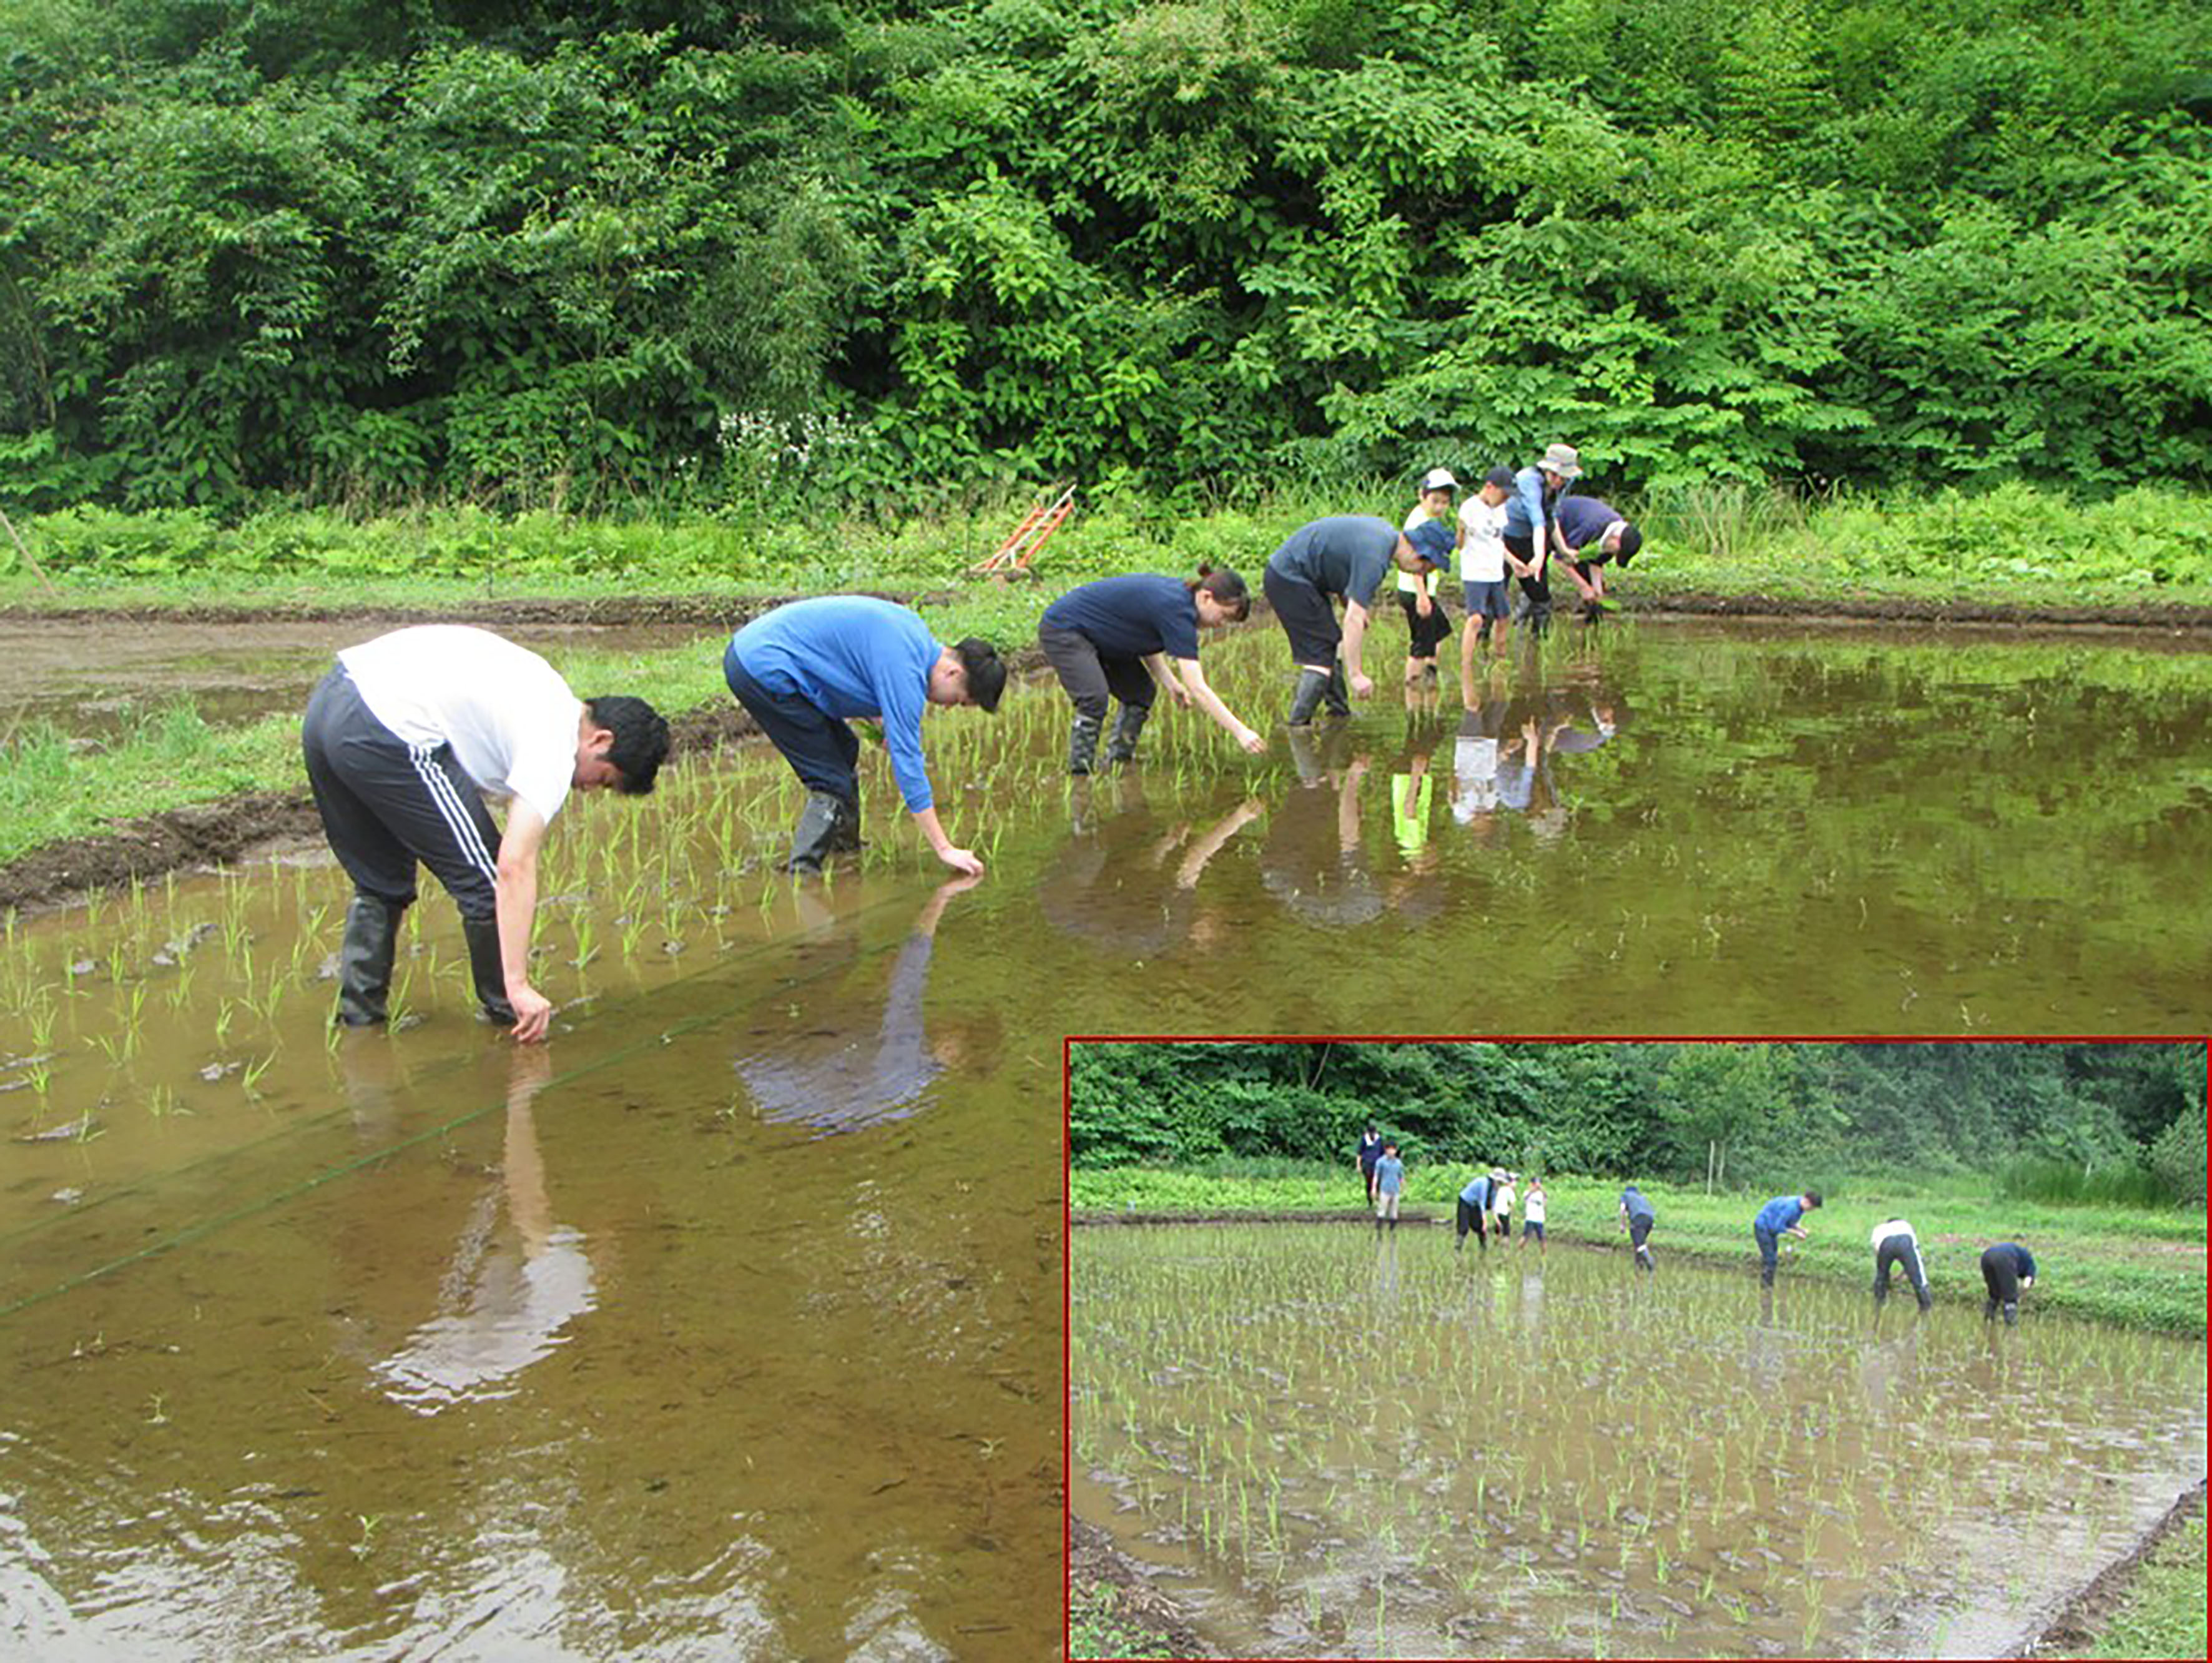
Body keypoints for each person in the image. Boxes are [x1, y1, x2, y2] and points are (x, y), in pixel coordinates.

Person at [301, 624, 669, 1043]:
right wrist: (519, 982)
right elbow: (513, 866)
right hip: (385, 726)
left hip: (330, 702)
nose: (586, 789)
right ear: (600, 739)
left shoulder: (543, 689)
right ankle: (513, 1013)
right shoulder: (555, 744)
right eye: (603, 778)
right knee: (486, 879)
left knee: (379, 882)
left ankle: (359, 1025)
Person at [724, 596, 1005, 875]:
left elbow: (854, 666)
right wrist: (945, 848)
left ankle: (844, 850)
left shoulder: (915, 639)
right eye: (957, 700)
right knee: (829, 779)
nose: (947, 708)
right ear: (953, 673)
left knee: (845, 747)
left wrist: (881, 721)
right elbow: (909, 766)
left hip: (759, 647)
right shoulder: (907, 672)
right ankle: (803, 874)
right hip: (761, 665)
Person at [1038, 566, 1266, 775]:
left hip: (1105, 636)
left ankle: (1118, 763)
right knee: (1093, 698)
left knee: (1140, 693)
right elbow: (1198, 688)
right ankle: (1080, 775)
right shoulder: (1178, 611)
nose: (1221, 625)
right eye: (1224, 616)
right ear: (1207, 597)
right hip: (1066, 629)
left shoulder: (1181, 604)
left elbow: (1143, 636)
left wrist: (1171, 683)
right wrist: (1241, 732)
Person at [1262, 515, 1450, 724]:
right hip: (1289, 576)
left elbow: (1340, 562)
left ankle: (1339, 714)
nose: (1421, 573)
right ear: (1419, 553)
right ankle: (1297, 726)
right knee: (1320, 655)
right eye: (1426, 568)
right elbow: (1353, 619)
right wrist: (1356, 675)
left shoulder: (1384, 537)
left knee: (1328, 644)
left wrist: (1348, 603)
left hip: (1300, 575)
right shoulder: (1376, 557)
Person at [1502, 443, 1581, 626]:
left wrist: (1564, 550)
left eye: (1563, 477)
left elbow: (1550, 517)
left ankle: (1538, 641)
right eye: (1554, 475)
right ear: (1546, 469)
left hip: (1532, 538)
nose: (1558, 482)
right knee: (1496, 591)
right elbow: (1537, 519)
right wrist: (1539, 557)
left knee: (1540, 595)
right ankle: (1485, 644)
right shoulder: (1528, 480)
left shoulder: (1565, 483)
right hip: (1507, 536)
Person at [1457, 465, 1516, 688]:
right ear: (1490, 487)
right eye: (1504, 494)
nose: (1505, 500)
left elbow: (1498, 541)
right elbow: (1460, 545)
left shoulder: (1500, 510)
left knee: (1503, 617)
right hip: (1475, 572)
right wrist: (1461, 531)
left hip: (1496, 572)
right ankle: (1466, 668)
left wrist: (1515, 563)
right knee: (1476, 619)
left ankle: (1500, 661)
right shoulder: (1470, 508)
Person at [1398, 469, 1457, 687]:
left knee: (1439, 631)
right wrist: (1422, 598)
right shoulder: (1418, 524)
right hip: (1415, 591)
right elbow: (1415, 564)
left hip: (1422, 591)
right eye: (1435, 501)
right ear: (1421, 496)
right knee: (1420, 643)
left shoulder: (1428, 518)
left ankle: (1430, 677)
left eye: (1445, 502)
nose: (1440, 507)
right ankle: (1412, 688)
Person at [1551, 493, 1644, 609]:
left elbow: (1596, 563)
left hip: (1573, 538)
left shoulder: (1611, 537)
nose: (1613, 555)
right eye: (1616, 552)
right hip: (1551, 523)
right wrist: (1583, 587)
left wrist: (1598, 594)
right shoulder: (1590, 527)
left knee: (1589, 583)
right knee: (1537, 577)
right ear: (1616, 539)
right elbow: (1561, 560)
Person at [1753, 1190, 1823, 1286]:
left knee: (1772, 1257)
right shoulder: (1791, 1207)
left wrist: (1801, 1229)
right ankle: (1766, 1287)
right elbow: (1778, 1227)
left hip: (1770, 1228)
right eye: (1811, 1208)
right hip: (1763, 1227)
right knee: (1771, 1259)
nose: (1810, 1211)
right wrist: (1796, 1233)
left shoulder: (1799, 1207)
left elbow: (1789, 1223)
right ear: (1807, 1202)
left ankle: (1767, 1284)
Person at [1872, 1216, 1934, 1311]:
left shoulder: (1880, 1228)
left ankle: (1879, 1305)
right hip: (1905, 1240)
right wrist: (1905, 1274)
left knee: (1881, 1279)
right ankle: (1926, 1308)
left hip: (1885, 1243)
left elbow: (1878, 1252)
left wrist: (1886, 1274)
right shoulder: (1906, 1226)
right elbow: (1914, 1257)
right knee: (1919, 1281)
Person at [1980, 1240, 2038, 1325]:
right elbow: (2027, 1282)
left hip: (1987, 1256)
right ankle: (2011, 1327)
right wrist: (2019, 1293)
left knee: (1994, 1294)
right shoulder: (2030, 1264)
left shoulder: (2019, 1253)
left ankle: (1989, 1320)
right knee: (2010, 1298)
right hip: (2005, 1259)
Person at [1619, 1184, 1657, 1271]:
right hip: (1650, 1220)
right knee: (1639, 1243)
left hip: (1638, 1218)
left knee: (1639, 1244)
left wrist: (1623, 1225)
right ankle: (1639, 1268)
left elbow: (1623, 1210)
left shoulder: (1625, 1196)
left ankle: (1650, 1262)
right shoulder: (1642, 1198)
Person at [1456, 1169, 1494, 1251]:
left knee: (1479, 1227)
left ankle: (1483, 1248)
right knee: (1464, 1227)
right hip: (1465, 1202)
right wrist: (1485, 1222)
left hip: (1475, 1204)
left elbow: (1493, 1206)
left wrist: (1497, 1221)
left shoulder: (1494, 1189)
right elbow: (1482, 1204)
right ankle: (1458, 1248)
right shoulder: (1484, 1184)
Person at [1374, 1140, 1405, 1235]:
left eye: (1393, 1150)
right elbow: (1376, 1175)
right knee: (1382, 1210)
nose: (1391, 1152)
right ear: (1386, 1150)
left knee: (1394, 1212)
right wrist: (1374, 1188)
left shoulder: (1398, 1163)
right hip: (1385, 1189)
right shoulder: (1381, 1162)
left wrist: (1403, 1186)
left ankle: (1392, 1231)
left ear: (1396, 1151)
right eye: (1389, 1150)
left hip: (1395, 1190)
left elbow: (1401, 1177)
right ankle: (1379, 1231)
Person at [1357, 1123, 1385, 1205]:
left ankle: (1379, 1198)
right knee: (1369, 1182)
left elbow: (1382, 1152)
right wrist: (1358, 1165)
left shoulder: (1379, 1140)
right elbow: (1360, 1153)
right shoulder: (1364, 1139)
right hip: (1367, 1163)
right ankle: (1370, 1200)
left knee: (1378, 1182)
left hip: (1378, 1163)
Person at [1518, 1177, 1546, 1252]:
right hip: (1530, 1218)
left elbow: (1545, 1203)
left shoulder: (1541, 1194)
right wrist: (1533, 1189)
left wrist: (1542, 1189)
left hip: (1539, 1219)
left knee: (1543, 1238)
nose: (1536, 1186)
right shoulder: (1527, 1192)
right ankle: (1519, 1251)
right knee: (1525, 1237)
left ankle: (1543, 1255)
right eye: (1534, 1183)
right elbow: (1525, 1197)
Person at [1488, 1171, 1516, 1241]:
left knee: (1498, 1232)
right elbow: (1512, 1204)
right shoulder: (1509, 1190)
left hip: (1497, 1213)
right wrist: (1511, 1216)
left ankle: (1495, 1246)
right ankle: (1505, 1250)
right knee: (1506, 1234)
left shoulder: (1499, 1189)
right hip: (1505, 1213)